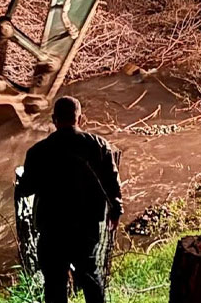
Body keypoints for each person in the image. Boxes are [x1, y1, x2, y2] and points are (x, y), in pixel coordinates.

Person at [16, 96, 122, 303]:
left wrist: (23, 181)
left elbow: (27, 190)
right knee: (91, 276)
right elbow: (112, 181)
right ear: (80, 118)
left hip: (51, 226)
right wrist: (117, 209)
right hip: (87, 225)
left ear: (54, 120)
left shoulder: (38, 152)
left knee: (54, 282)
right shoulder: (99, 146)